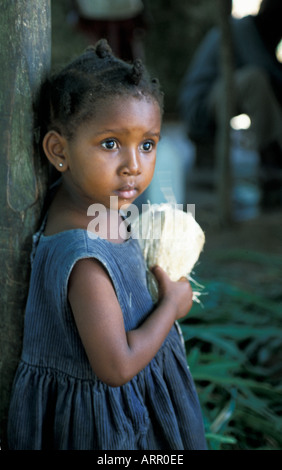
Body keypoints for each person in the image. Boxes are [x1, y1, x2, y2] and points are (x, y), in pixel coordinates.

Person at [7, 39, 207, 450]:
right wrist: (172, 304)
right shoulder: (84, 260)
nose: (134, 164)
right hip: (107, 429)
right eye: (111, 143)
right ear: (58, 150)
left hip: (135, 400)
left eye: (147, 144)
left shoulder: (95, 199)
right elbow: (116, 366)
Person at [179, 0, 282, 206]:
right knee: (257, 80)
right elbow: (270, 73)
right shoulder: (244, 29)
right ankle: (271, 163)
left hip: (216, 100)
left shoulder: (259, 36)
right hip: (199, 109)